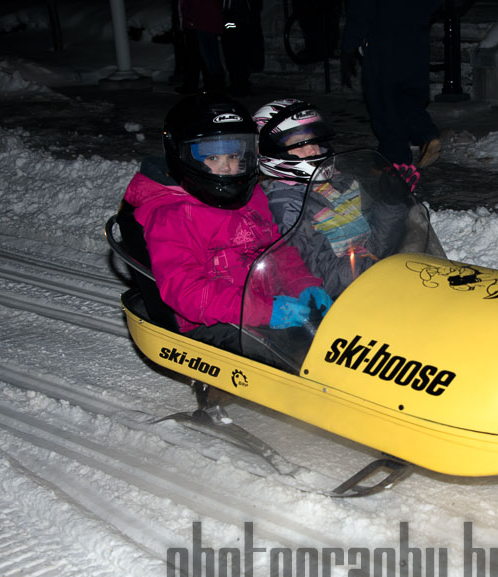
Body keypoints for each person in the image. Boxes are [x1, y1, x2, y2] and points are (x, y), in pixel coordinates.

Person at [121, 93, 333, 367]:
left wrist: (303, 285)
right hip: (211, 322)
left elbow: (278, 253)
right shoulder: (172, 216)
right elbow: (188, 293)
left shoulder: (252, 195)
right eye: (212, 157)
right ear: (185, 157)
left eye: (234, 155)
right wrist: (263, 311)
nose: (227, 167)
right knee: (306, 362)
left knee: (340, 334)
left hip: (262, 308)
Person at [253, 98, 418, 297]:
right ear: (271, 152)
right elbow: (324, 279)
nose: (312, 150)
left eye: (314, 140)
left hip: (372, 283)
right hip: (341, 303)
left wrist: (391, 203)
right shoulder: (286, 207)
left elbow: (375, 246)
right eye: (298, 144)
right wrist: (381, 267)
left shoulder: (342, 183)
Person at [339, 0, 442, 168]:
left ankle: (392, 161)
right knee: (407, 96)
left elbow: (361, 8)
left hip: (382, 41)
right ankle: (425, 133)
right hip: (415, 37)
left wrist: (349, 44)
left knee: (383, 103)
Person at [177, 0, 226, 93]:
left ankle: (216, 88)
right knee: (207, 56)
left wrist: (190, 18)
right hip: (204, 21)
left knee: (209, 57)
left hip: (203, 22)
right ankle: (213, 87)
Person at [220, 0, 264, 96]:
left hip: (238, 26)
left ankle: (240, 86)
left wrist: (230, 24)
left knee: (237, 57)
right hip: (238, 24)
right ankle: (239, 84)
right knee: (235, 57)